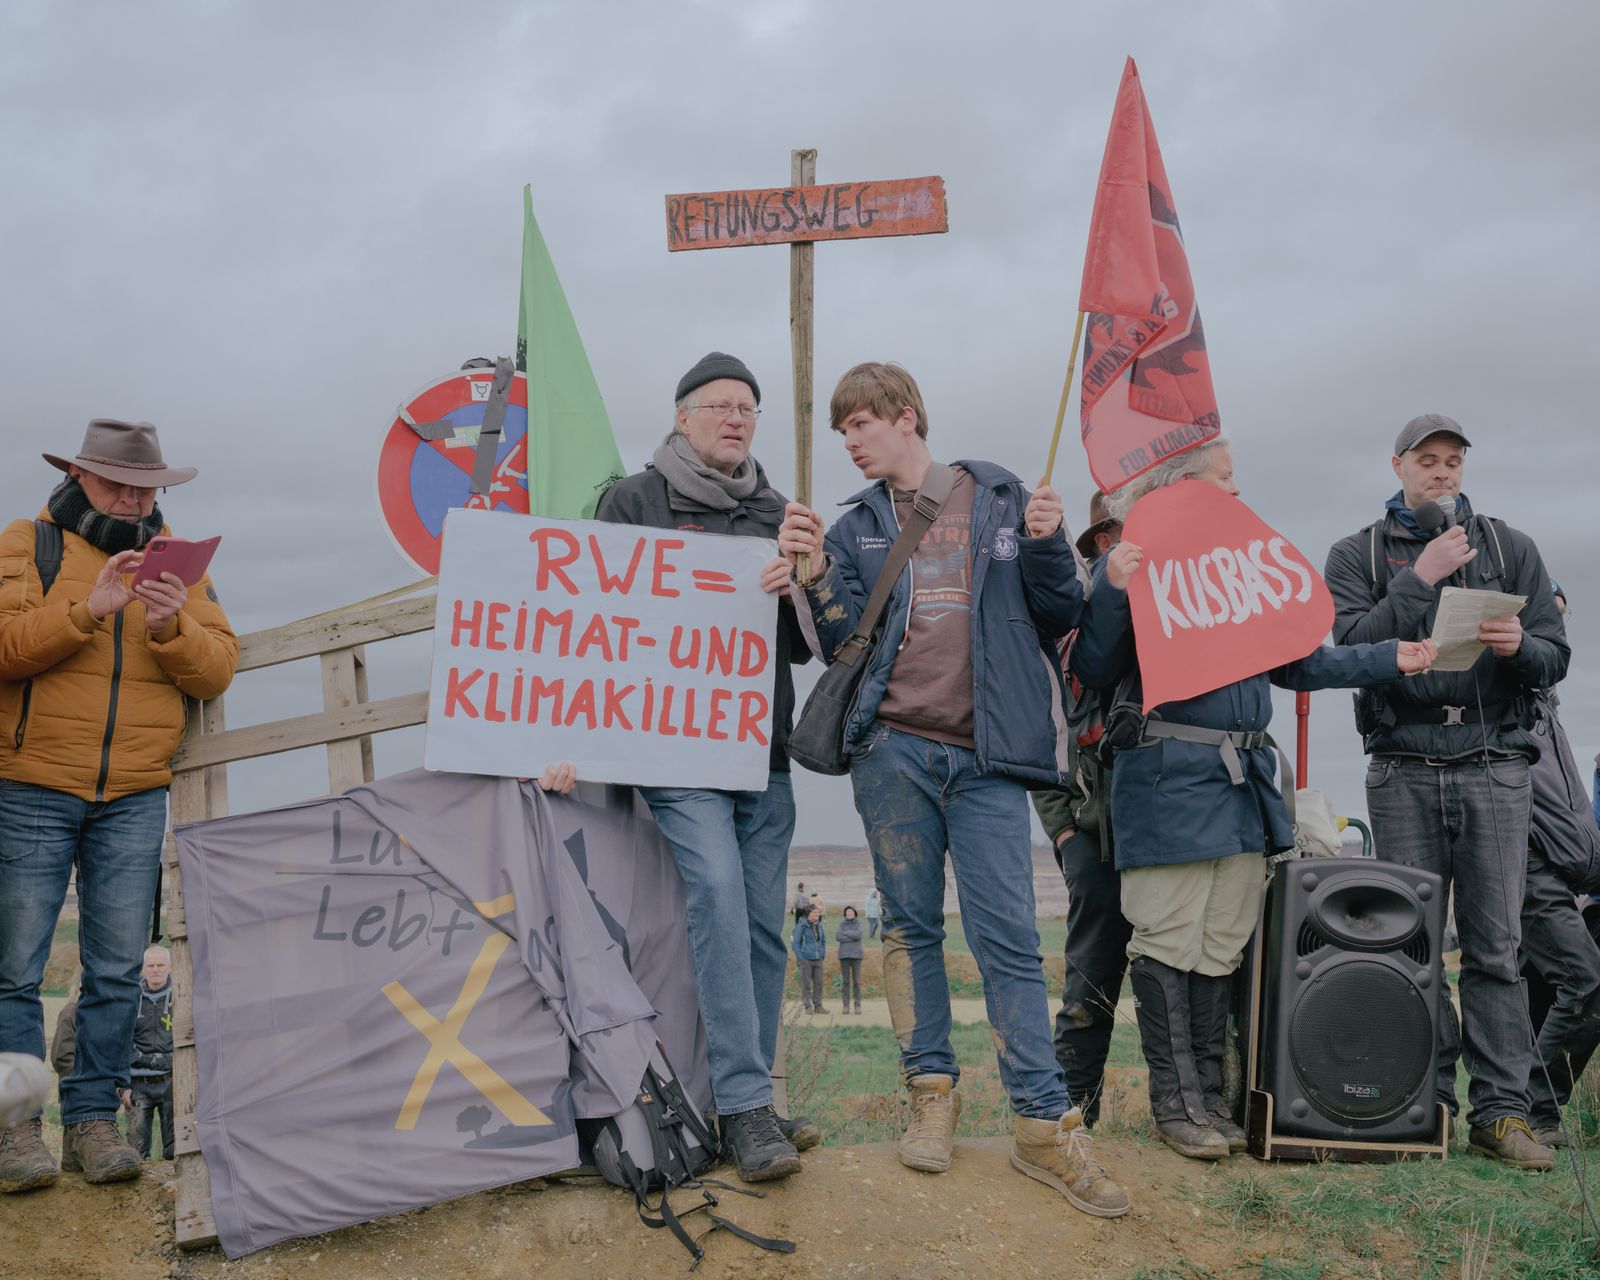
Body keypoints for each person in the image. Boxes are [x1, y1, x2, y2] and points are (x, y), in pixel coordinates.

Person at [779, 360, 1130, 1219]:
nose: (851, 444)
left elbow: (1060, 613)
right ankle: (929, 1098)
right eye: (842, 432)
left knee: (1008, 935)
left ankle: (1044, 1126)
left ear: (905, 417)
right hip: (891, 751)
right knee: (907, 927)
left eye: (860, 425)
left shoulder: (1002, 497)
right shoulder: (857, 524)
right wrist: (815, 573)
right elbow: (839, 648)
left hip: (987, 756)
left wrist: (1050, 541)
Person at [1075, 437, 1437, 1161]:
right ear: (1183, 489)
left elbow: (1301, 661)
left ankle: (1209, 1099)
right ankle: (1175, 1105)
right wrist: (1113, 587)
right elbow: (1094, 664)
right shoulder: (1136, 566)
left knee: (1218, 950)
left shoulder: (1235, 576)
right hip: (1168, 783)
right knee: (1168, 943)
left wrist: (1389, 657)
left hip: (1242, 792)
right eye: (1225, 480)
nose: (1237, 494)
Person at [1323, 414, 1568, 1170]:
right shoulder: (1356, 553)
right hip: (1402, 764)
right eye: (1427, 461)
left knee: (1497, 949)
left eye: (1452, 461)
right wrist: (1418, 578)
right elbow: (1349, 646)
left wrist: (1520, 646)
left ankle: (1502, 1114)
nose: (1441, 473)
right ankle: (1420, 1104)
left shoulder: (1510, 548)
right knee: (1410, 946)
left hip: (1495, 763)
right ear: (1398, 465)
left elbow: (1556, 657)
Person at [595, 353, 816, 1181]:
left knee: (762, 926)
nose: (737, 418)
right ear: (683, 417)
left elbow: (803, 646)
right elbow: (594, 622)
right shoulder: (634, 500)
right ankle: (748, 1109)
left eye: (749, 408)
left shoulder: (778, 511)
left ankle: (749, 1104)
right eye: (720, 405)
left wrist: (800, 582)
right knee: (718, 899)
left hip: (765, 749)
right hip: (678, 752)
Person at [0, 420, 237, 1193]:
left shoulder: (182, 565)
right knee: (15, 971)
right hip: (30, 783)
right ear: (78, 474)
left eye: (146, 487)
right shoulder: (26, 543)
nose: (134, 499)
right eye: (117, 484)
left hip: (134, 793)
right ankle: (14, 1133)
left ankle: (93, 1123)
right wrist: (88, 611)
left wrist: (170, 629)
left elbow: (218, 669)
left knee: (115, 970)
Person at [1029, 491, 1130, 1128]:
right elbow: (1042, 734)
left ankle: (1197, 1106)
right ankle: (1074, 1114)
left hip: (1166, 821)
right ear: (1097, 544)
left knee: (1181, 972)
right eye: (1112, 534)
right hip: (1091, 830)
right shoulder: (1063, 627)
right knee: (1090, 975)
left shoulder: (1175, 614)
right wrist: (1064, 830)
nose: (1123, 545)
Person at [1515, 583, 1600, 1148]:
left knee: (1546, 990)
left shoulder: (1546, 706)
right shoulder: (1513, 701)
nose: (1559, 631)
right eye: (1549, 618)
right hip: (1527, 869)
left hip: (1560, 873)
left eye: (1563, 621)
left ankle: (1521, 1109)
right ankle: (1536, 1114)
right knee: (1586, 979)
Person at [119, 946, 174, 1160]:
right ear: (142, 969)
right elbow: (121, 1043)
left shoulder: (180, 997)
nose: (155, 970)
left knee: (175, 1148)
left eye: (160, 965)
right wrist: (123, 1087)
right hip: (138, 1085)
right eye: (150, 966)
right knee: (136, 1151)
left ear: (169, 967)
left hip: (171, 1083)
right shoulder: (131, 1000)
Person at [792, 907, 827, 1014]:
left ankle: (818, 1006)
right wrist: (800, 957)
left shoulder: (819, 926)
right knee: (806, 984)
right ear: (809, 914)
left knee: (819, 983)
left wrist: (822, 954)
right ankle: (808, 1007)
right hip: (805, 959)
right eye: (815, 912)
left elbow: (823, 941)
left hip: (818, 959)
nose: (817, 914)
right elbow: (795, 943)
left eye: (818, 912)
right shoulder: (801, 926)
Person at [836, 906, 865, 1014]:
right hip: (844, 955)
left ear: (855, 913)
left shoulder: (860, 924)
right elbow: (838, 936)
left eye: (851, 912)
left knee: (857, 982)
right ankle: (845, 1006)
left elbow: (859, 935)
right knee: (845, 982)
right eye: (847, 912)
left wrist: (846, 933)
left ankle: (857, 1006)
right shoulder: (841, 924)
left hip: (857, 955)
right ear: (845, 914)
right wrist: (851, 934)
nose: (849, 913)